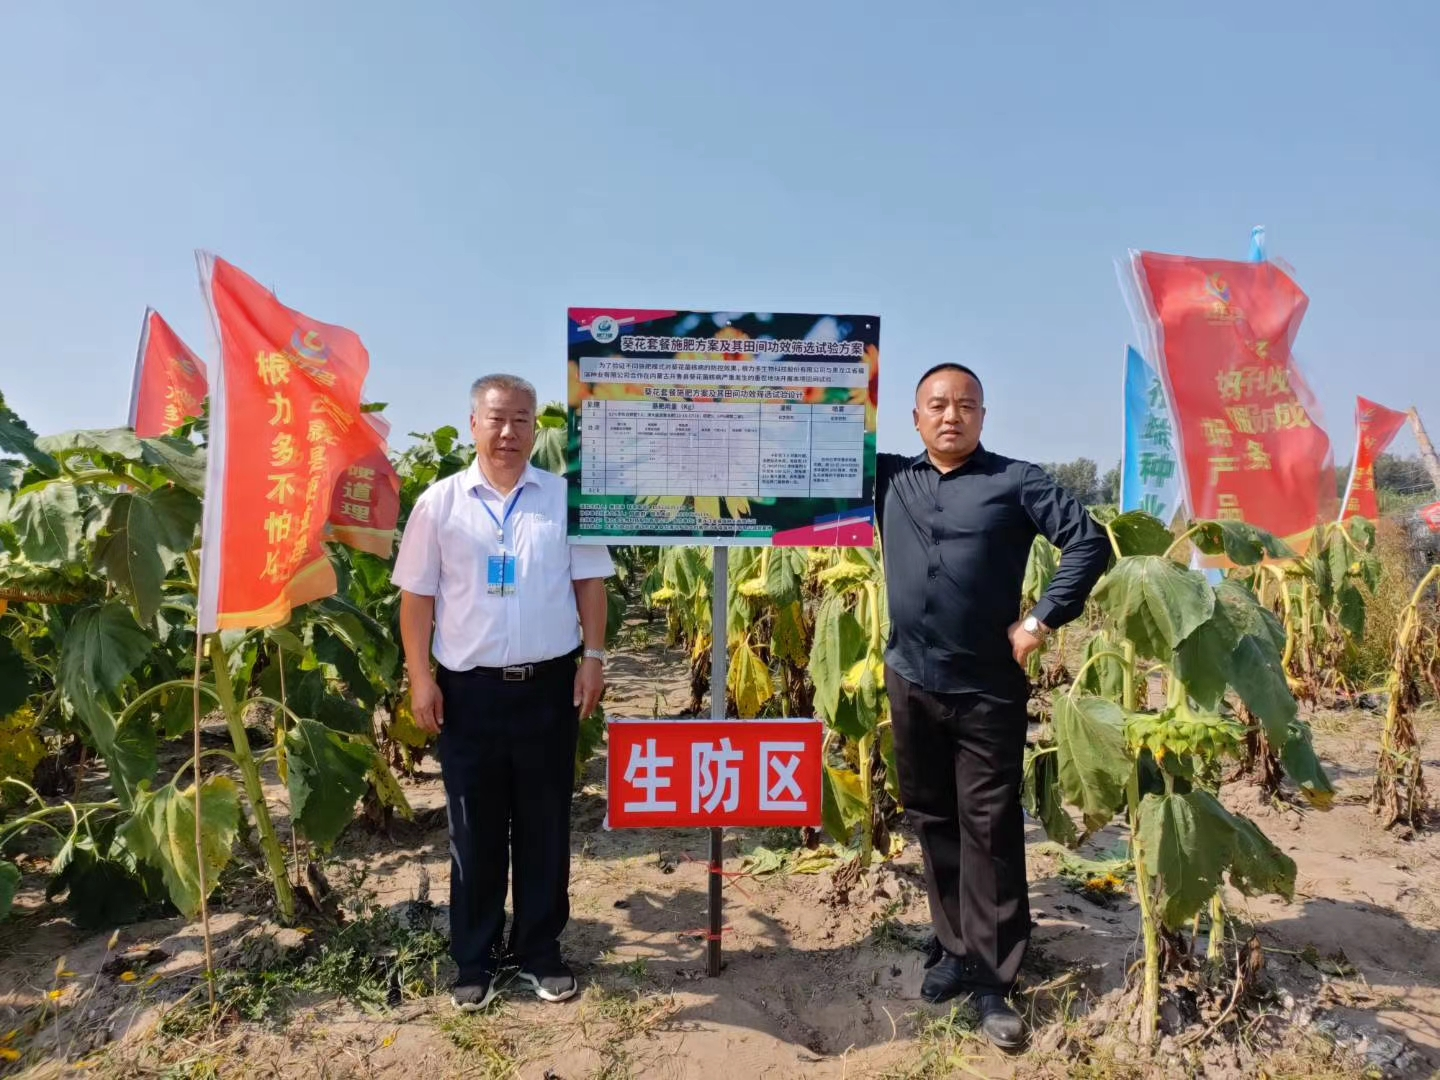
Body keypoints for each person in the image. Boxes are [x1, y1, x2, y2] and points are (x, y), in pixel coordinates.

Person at [875, 363, 1110, 1052]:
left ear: (983, 415)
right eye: (937, 405)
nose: (951, 416)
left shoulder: (1016, 481)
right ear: (915, 418)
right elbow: (806, 457)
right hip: (911, 679)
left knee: (990, 828)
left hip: (986, 687)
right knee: (933, 818)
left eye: (966, 405)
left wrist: (1040, 618)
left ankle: (994, 979)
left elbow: (1089, 541)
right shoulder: (889, 479)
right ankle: (954, 948)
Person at [392, 373, 613, 1012]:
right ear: (474, 424)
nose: (509, 431)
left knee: (545, 825)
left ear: (535, 426)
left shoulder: (564, 498)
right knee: (474, 829)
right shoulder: (439, 503)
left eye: (521, 419)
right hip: (469, 693)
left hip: (548, 688)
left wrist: (593, 657)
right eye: (497, 418)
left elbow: (590, 584)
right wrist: (421, 677)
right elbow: (417, 598)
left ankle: (540, 953)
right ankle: (475, 959)